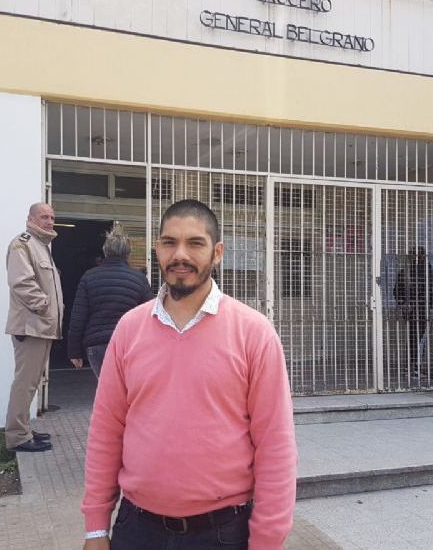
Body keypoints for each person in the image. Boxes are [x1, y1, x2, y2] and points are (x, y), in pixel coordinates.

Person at [81, 199, 298, 550]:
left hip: (223, 534)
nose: (180, 254)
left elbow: (276, 446)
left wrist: (267, 542)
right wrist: (95, 528)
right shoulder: (129, 329)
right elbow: (106, 432)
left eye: (195, 243)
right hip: (136, 530)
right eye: (169, 242)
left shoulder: (253, 333)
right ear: (157, 249)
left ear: (217, 252)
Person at [4, 202, 64, 453]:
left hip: (41, 326)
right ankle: (17, 436)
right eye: (43, 217)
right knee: (25, 383)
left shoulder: (41, 247)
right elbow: (21, 282)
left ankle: (24, 428)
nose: (49, 221)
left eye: (52, 217)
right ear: (30, 219)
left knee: (33, 382)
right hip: (31, 326)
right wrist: (44, 307)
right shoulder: (23, 244)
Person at [67, 223, 153, 378]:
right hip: (129, 344)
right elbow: (149, 317)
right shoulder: (139, 279)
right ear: (128, 253)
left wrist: (74, 351)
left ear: (105, 251)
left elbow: (78, 317)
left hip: (97, 345)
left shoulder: (89, 277)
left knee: (106, 391)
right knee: (128, 391)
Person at [393, 246, 433, 379]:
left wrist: (404, 304)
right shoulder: (428, 271)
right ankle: (415, 369)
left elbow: (396, 291)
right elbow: (430, 290)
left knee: (413, 338)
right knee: (418, 339)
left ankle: (409, 368)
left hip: (410, 310)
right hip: (421, 309)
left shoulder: (405, 271)